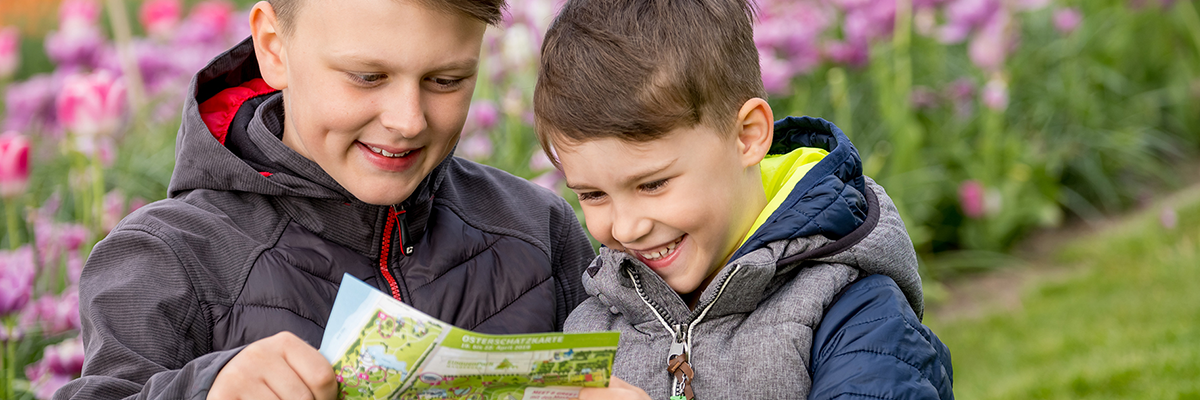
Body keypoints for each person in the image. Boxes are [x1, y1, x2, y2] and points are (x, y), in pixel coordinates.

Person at [55, 0, 596, 399]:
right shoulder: (166, 259)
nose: (407, 120)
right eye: (367, 76)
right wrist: (206, 389)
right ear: (273, 47)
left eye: (446, 80)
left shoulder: (536, 228)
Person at [532, 0, 954, 398]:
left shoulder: (855, 313)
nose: (624, 228)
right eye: (591, 194)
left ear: (748, 135)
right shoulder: (594, 320)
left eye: (652, 185)